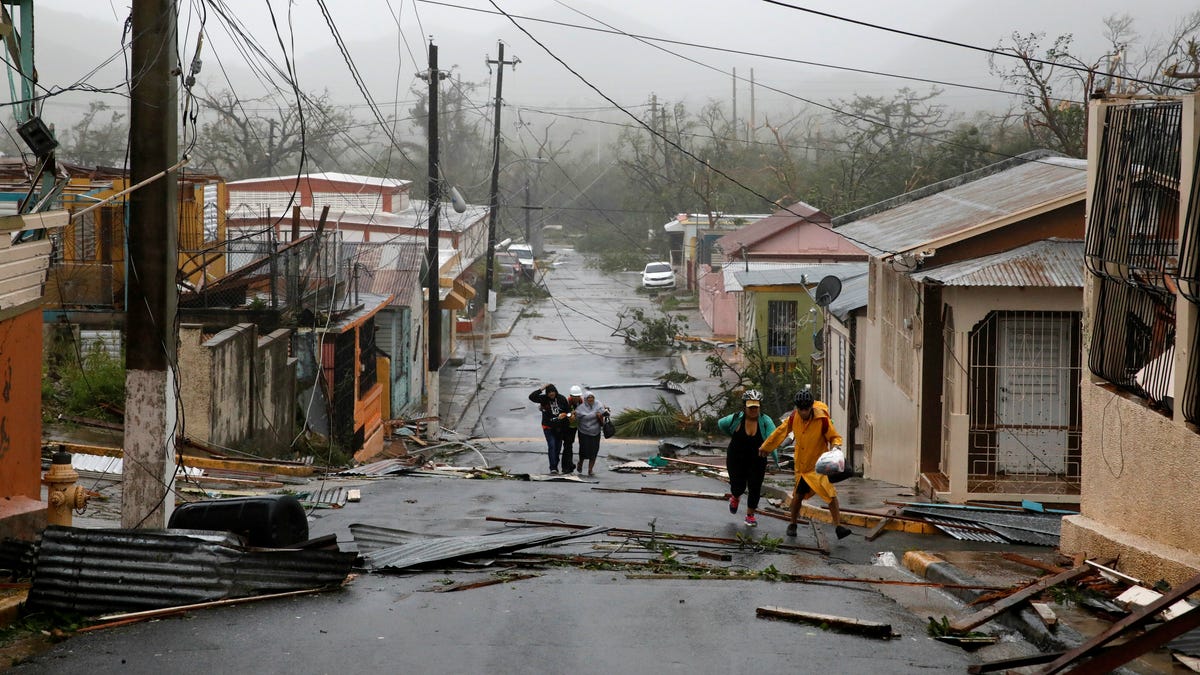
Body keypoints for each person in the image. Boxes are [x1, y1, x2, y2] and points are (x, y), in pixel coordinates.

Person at [761, 388, 852, 540]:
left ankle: (838, 526)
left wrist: (836, 447)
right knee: (797, 497)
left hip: (819, 466)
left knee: (831, 494)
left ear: (811, 407)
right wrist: (765, 447)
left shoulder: (822, 419)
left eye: (806, 408)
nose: (803, 412)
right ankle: (793, 523)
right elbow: (779, 433)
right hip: (802, 466)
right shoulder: (793, 418)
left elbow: (834, 436)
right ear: (797, 407)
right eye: (801, 408)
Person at [716, 389, 777, 527]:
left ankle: (750, 515)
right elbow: (721, 424)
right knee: (738, 485)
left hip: (757, 459)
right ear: (745, 407)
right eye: (751, 407)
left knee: (755, 486)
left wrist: (769, 449)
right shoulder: (736, 418)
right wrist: (732, 432)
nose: (754, 410)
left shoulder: (765, 421)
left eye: (756, 406)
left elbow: (774, 436)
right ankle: (735, 496)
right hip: (736, 458)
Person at [529, 383, 571, 474]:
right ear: (547, 393)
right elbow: (531, 397)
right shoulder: (543, 399)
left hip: (560, 427)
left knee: (558, 447)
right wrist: (542, 388)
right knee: (551, 445)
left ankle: (555, 463)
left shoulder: (562, 398)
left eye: (553, 392)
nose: (551, 394)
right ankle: (553, 467)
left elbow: (568, 412)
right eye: (549, 392)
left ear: (555, 392)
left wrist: (565, 415)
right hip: (548, 426)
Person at [573, 390, 607, 476]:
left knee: (594, 451)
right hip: (584, 432)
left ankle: (590, 470)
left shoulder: (598, 404)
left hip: (596, 432)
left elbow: (605, 413)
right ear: (585, 399)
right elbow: (576, 418)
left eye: (592, 397)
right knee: (583, 451)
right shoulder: (580, 408)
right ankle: (580, 463)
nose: (591, 399)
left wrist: (602, 414)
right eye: (589, 398)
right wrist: (573, 415)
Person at [559, 385, 585, 474]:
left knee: (574, 445)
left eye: (578, 397)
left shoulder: (581, 402)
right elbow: (563, 414)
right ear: (571, 396)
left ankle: (570, 464)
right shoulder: (566, 402)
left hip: (577, 426)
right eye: (574, 397)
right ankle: (565, 467)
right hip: (567, 427)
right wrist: (570, 414)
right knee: (567, 446)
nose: (576, 399)